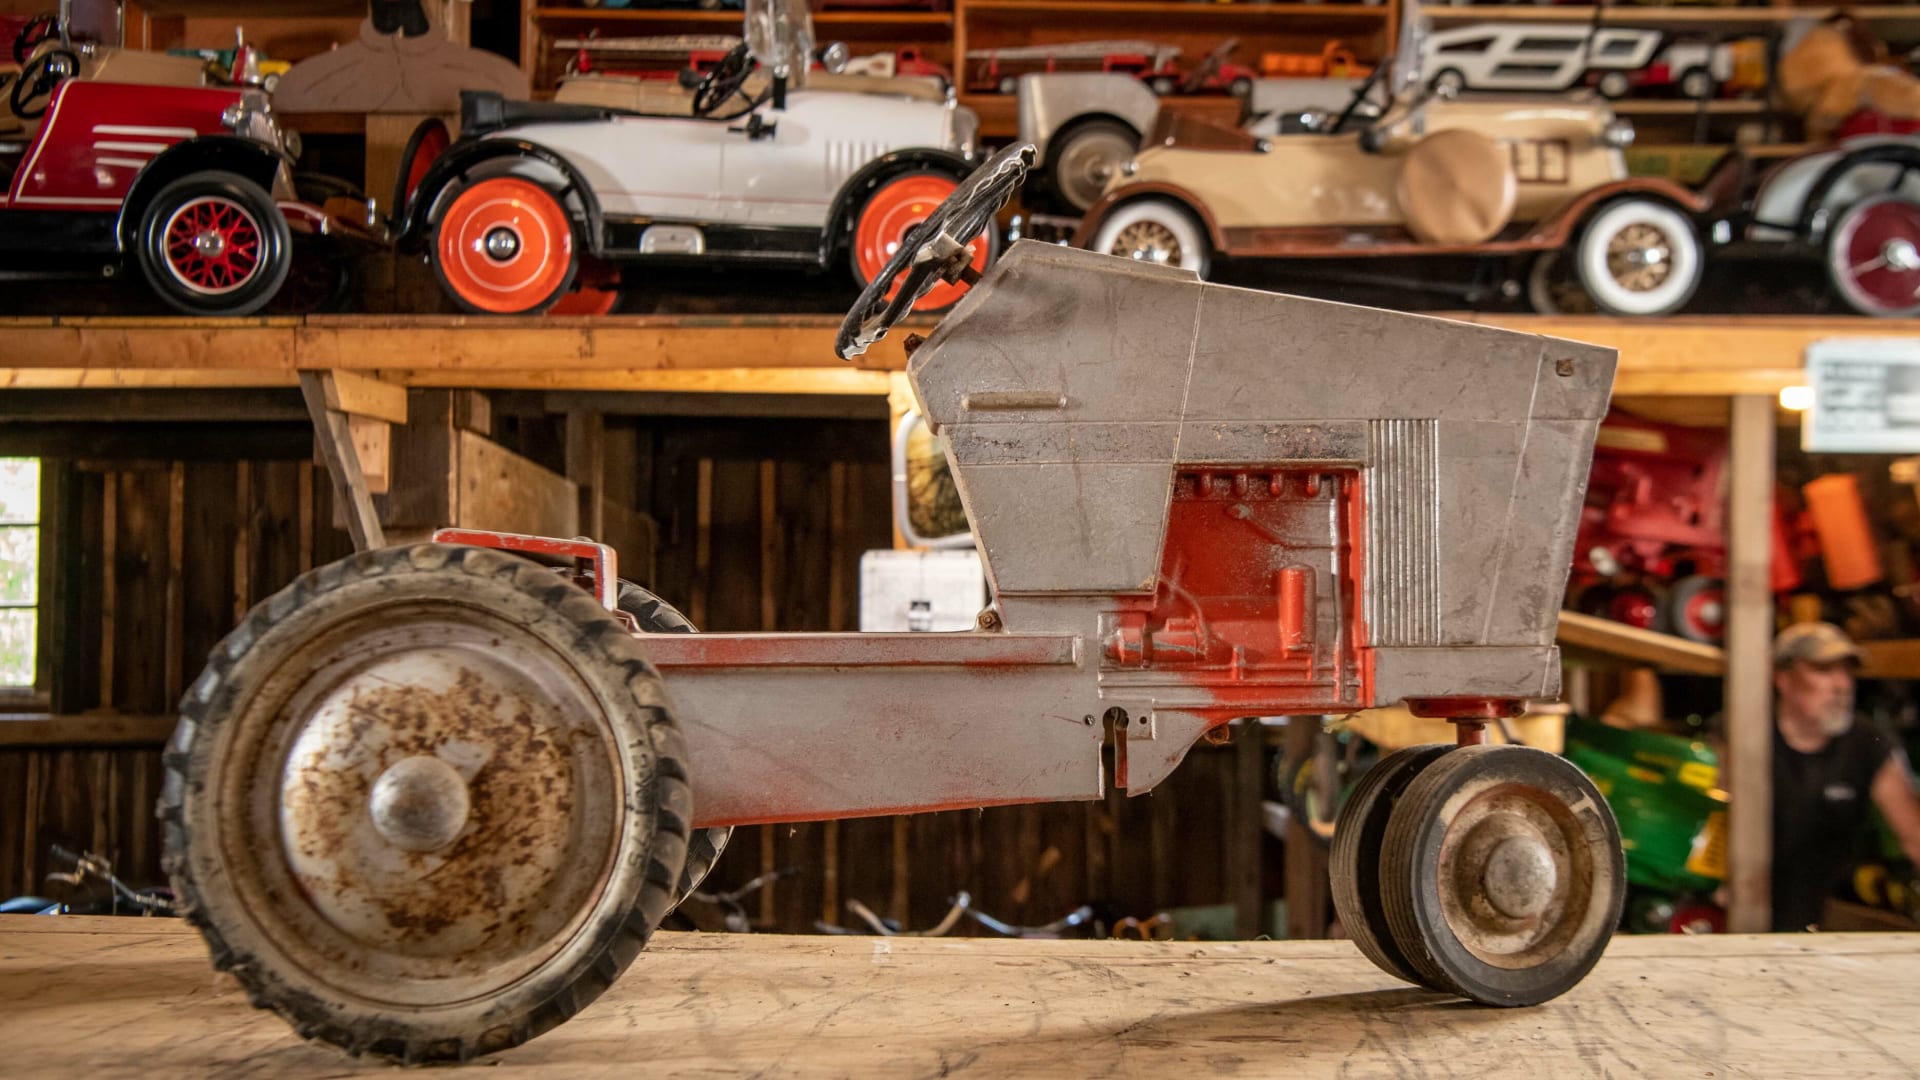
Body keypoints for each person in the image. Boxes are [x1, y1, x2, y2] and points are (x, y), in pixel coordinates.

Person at [1771, 622, 1920, 931]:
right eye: (1824, 670)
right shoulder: (1743, 734)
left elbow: (1915, 837)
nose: (1841, 684)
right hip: (1746, 916)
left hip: (1828, 920)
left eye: (1846, 671)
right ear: (1783, 678)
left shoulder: (1865, 741)